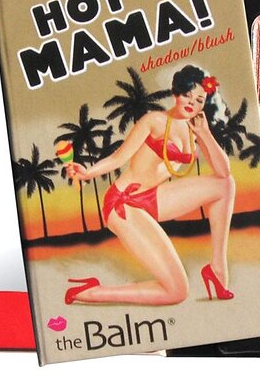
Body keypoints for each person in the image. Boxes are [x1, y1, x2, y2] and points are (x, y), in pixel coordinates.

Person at [64, 65, 236, 306]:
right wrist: (87, 172)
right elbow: (118, 158)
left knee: (225, 185)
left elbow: (224, 172)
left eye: (199, 100)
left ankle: (217, 268)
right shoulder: (155, 120)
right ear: (176, 93)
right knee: (177, 292)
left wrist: (205, 134)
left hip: (153, 197)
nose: (191, 103)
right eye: (187, 95)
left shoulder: (194, 130)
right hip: (124, 203)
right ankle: (91, 292)